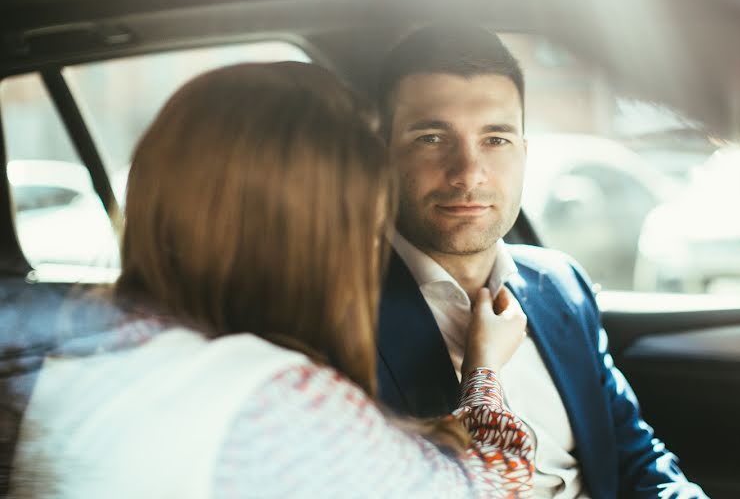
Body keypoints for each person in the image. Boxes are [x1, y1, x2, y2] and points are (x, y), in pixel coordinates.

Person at [10, 62, 534, 498]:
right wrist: (483, 372)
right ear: (327, 233)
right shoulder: (284, 403)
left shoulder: (62, 348)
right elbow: (491, 489)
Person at [374, 26, 708, 499]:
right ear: (381, 155)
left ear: (524, 154)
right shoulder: (341, 312)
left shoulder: (560, 283)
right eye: (432, 138)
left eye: (495, 140)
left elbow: (635, 458)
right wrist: (480, 378)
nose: (469, 171)